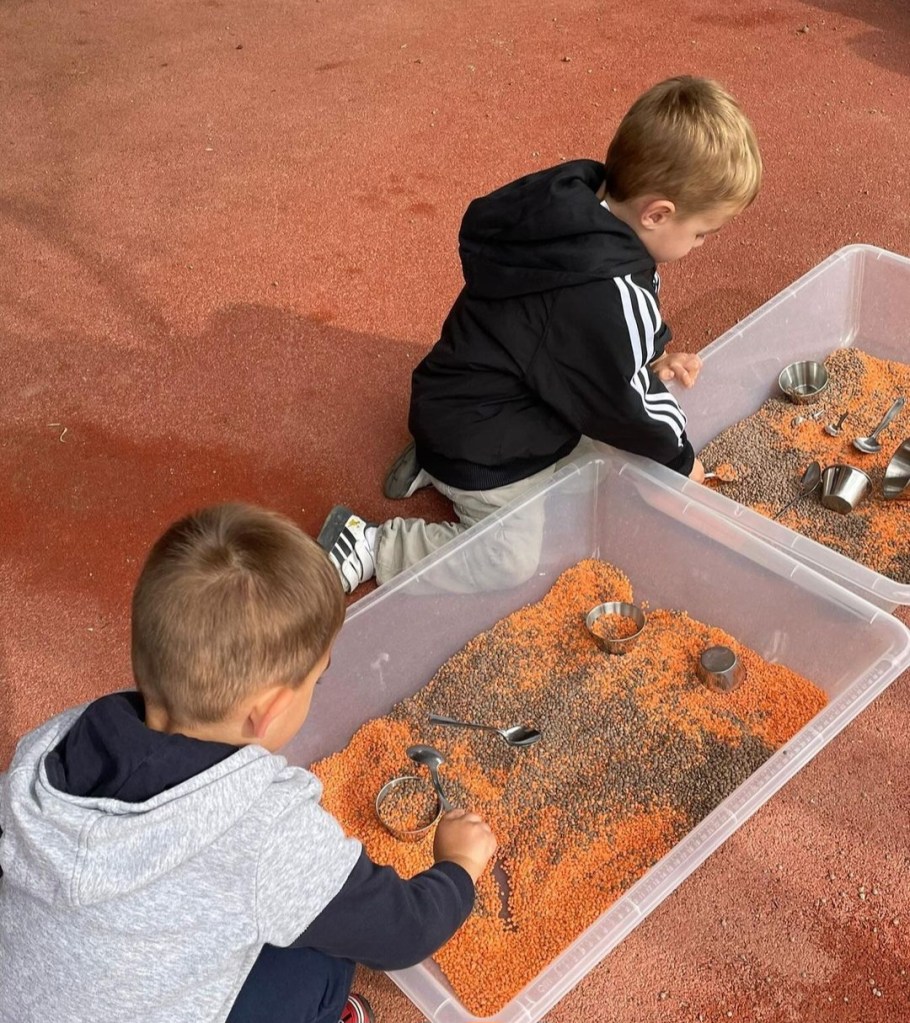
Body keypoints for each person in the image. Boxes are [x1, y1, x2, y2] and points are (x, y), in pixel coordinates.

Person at [0, 503, 497, 1023]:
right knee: (321, 960)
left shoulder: (55, 745)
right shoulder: (266, 829)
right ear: (270, 711)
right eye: (316, 680)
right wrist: (458, 867)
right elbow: (401, 932)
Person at [318, 75, 762, 594]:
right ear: (657, 213)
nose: (701, 244)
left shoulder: (571, 204)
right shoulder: (603, 290)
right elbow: (627, 408)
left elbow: (577, 346)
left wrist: (646, 361)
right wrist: (683, 463)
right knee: (509, 560)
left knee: (604, 457)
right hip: (490, 447)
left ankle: (436, 462)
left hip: (455, 397)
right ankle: (372, 545)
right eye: (701, 233)